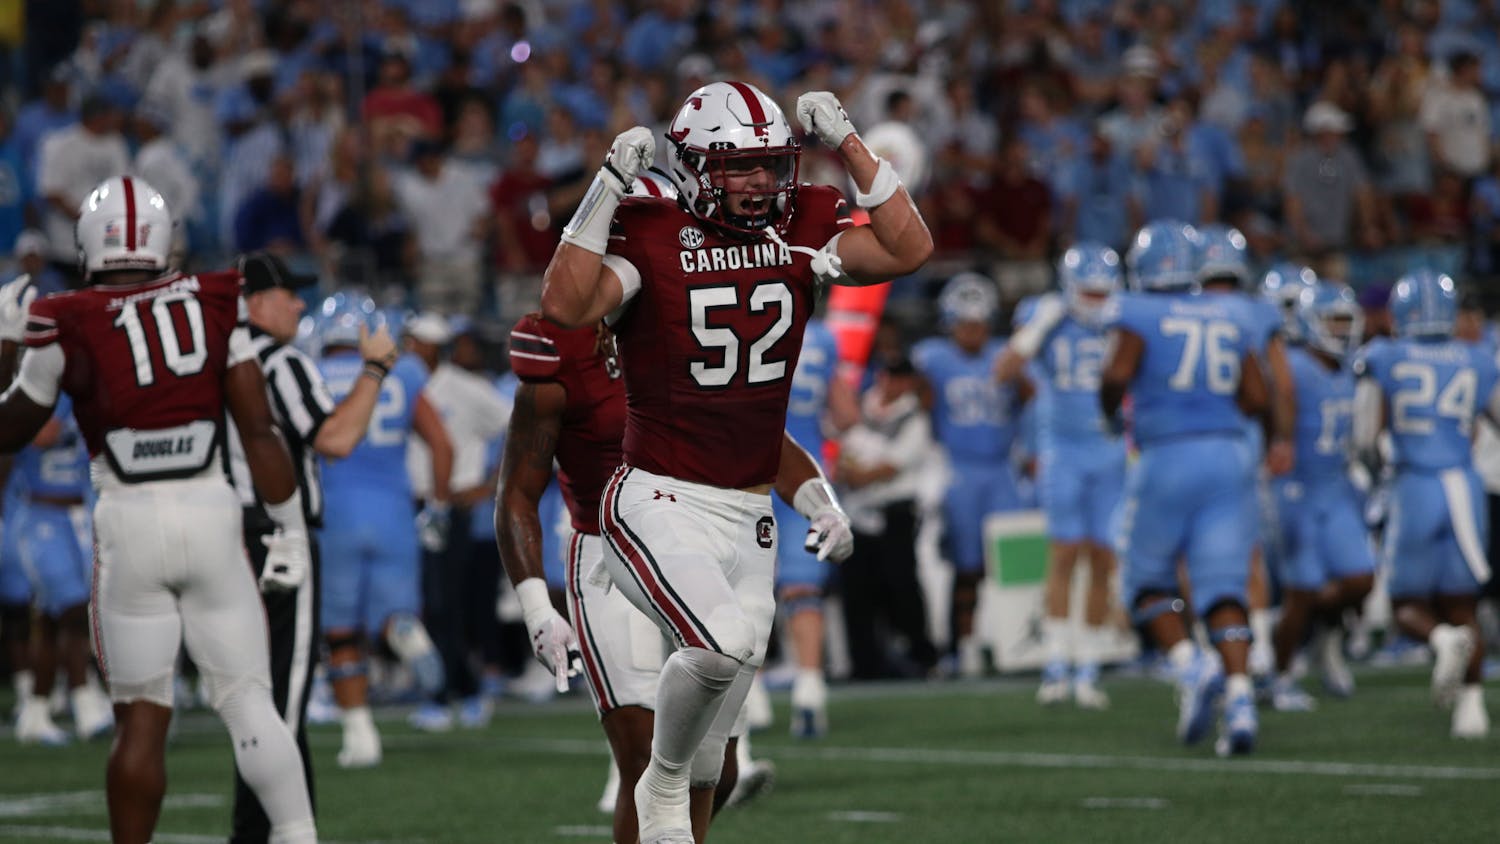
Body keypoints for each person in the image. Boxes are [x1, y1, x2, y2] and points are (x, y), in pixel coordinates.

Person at [538, 81, 932, 844]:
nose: (758, 183)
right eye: (738, 166)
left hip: (751, 513)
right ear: (692, 167)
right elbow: (566, 304)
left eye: (769, 164)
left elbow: (908, 248)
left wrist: (848, 140)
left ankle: (674, 794)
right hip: (658, 498)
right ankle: (653, 780)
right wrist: (605, 187)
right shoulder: (651, 231)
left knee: (715, 759)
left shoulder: (801, 222)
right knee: (718, 649)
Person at [0, 176, 317, 842]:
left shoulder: (62, 316)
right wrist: (288, 533)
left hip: (129, 519)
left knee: (142, 719)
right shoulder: (214, 300)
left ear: (88, 240)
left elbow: (9, 431)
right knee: (251, 704)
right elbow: (259, 430)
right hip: (210, 510)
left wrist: (5, 348)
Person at [498, 311, 851, 844]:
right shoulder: (559, 351)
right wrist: (536, 608)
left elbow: (757, 436)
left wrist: (821, 504)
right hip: (606, 551)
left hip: (702, 543)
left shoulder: (687, 320)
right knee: (645, 759)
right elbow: (519, 492)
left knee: (717, 768)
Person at [225, 251, 397, 842]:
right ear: (254, 301)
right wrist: (374, 370)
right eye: (287, 294)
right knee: (282, 703)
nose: (299, 304)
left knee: (252, 700)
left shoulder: (213, 360)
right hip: (279, 536)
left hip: (227, 538)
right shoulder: (280, 362)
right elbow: (337, 437)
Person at [1100, 220, 1269, 757]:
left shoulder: (1138, 311)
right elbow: (1258, 395)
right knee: (1224, 588)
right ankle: (1241, 697)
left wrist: (1113, 417)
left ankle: (1190, 666)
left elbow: (1115, 376)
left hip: (1168, 454)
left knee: (1143, 579)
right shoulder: (1231, 311)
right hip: (1228, 454)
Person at [1354, 270, 1497, 739]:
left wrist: (1376, 473)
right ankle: (1472, 708)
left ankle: (1440, 640)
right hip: (1465, 485)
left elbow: (1364, 437)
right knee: (1463, 602)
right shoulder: (1477, 357)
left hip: (1416, 484)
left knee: (1404, 603)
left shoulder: (1384, 355)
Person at [313, 293, 452, 768]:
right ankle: (403, 630)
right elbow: (441, 443)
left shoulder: (310, 373)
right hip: (393, 510)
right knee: (393, 611)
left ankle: (360, 734)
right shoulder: (407, 372)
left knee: (341, 630)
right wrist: (437, 505)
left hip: (335, 510)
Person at [996, 243, 1125, 709]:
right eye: (1088, 292)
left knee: (1103, 557)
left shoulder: (1123, 319)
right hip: (1065, 450)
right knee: (1065, 553)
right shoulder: (1047, 316)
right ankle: (1056, 662)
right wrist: (1039, 329)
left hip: (1110, 449)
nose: (1096, 300)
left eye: (1101, 292)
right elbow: (1002, 370)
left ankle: (1088, 666)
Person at [1269, 281, 1373, 711]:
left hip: (1337, 486)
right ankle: (1278, 675)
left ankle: (1317, 640)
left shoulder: (1351, 368)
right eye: (1332, 320)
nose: (1340, 329)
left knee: (1360, 579)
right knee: (1302, 588)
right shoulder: (1291, 366)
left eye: (1345, 320)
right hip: (1297, 488)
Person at [913, 273, 1022, 677]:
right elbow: (917, 400)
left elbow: (1032, 399)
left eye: (978, 323)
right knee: (968, 565)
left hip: (1001, 467)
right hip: (958, 469)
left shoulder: (1005, 354)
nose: (973, 332)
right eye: (964, 324)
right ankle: (967, 644)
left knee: (1013, 560)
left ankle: (1015, 640)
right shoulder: (934, 358)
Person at [2, 392, 114, 744]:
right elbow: (42, 434)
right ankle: (85, 704)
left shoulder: (81, 387)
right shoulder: (33, 391)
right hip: (39, 514)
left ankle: (35, 712)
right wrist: (68, 401)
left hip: (79, 513)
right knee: (72, 607)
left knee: (52, 620)